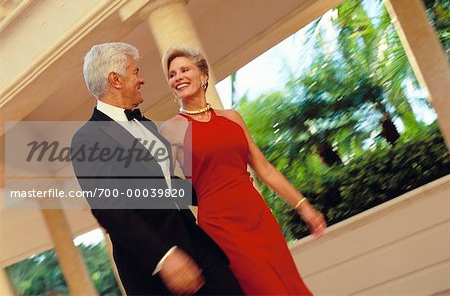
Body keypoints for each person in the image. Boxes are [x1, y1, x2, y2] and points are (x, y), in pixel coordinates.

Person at [71, 42, 243, 295]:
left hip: (197, 244)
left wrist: (217, 187)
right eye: (136, 72)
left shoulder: (148, 124)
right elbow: (110, 209)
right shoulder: (87, 138)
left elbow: (167, 185)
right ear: (115, 80)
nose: (142, 79)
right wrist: (164, 257)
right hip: (152, 270)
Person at [159, 45, 327, 295]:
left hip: (258, 216)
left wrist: (303, 206)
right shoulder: (170, 129)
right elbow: (166, 187)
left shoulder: (232, 118)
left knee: (290, 285)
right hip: (221, 226)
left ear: (203, 76)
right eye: (172, 74)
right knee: (266, 289)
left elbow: (265, 169)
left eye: (184, 70)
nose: (177, 77)